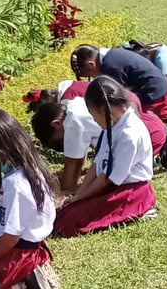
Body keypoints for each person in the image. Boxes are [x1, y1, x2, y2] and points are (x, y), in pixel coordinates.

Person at [0, 107, 60, 289]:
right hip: (30, 246)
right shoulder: (31, 167)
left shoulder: (16, 185)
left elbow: (12, 237)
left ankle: (23, 287)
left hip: (20, 253)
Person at [53, 75, 158, 237]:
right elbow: (97, 164)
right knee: (64, 214)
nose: (94, 121)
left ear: (104, 110)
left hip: (129, 192)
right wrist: (79, 194)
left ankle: (144, 208)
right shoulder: (113, 124)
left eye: (94, 116)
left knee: (68, 223)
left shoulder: (128, 134)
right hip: (110, 186)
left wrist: (80, 198)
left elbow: (108, 178)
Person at [25, 80, 102, 190]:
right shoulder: (72, 105)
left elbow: (72, 165)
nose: (65, 142)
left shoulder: (72, 121)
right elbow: (78, 156)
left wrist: (64, 189)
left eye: (61, 139)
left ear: (56, 124)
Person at [70, 44, 167, 122]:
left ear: (91, 65)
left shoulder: (110, 67)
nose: (93, 78)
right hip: (166, 92)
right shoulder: (113, 54)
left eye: (89, 75)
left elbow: (118, 101)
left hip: (159, 100)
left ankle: (163, 116)